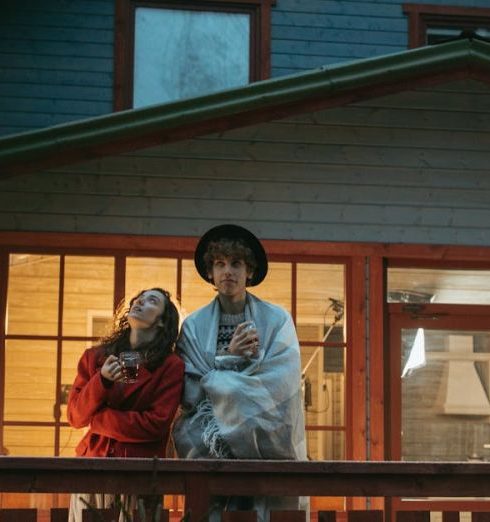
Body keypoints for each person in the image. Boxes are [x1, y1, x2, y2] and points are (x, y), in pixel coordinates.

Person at [173, 224, 308, 521]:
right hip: (210, 445)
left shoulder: (276, 319)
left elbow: (282, 382)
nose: (228, 272)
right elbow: (190, 389)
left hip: (264, 441)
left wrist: (221, 375)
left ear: (250, 271)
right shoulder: (194, 326)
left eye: (236, 263)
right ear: (210, 272)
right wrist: (230, 358)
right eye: (220, 264)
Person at [67, 287, 185, 522]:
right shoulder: (94, 357)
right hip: (92, 468)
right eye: (137, 300)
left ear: (162, 321)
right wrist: (101, 381)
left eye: (151, 301)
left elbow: (155, 424)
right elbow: (75, 416)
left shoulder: (170, 366)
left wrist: (98, 419)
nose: (139, 303)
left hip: (140, 474)